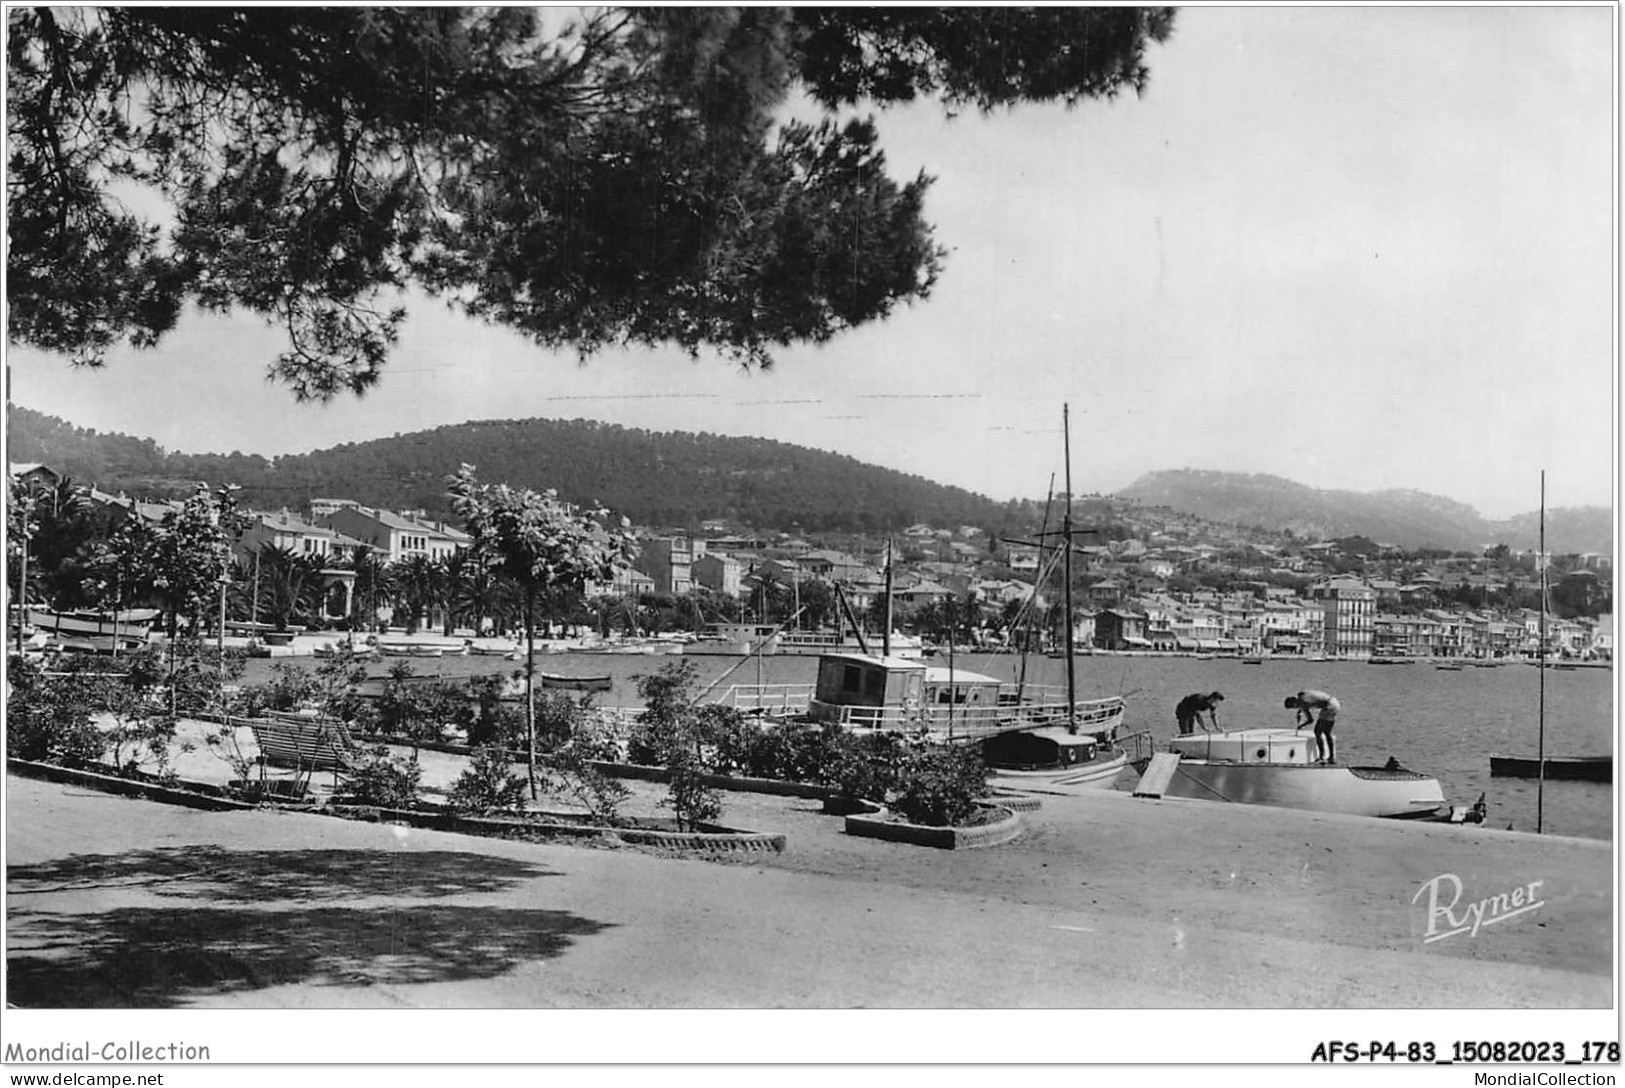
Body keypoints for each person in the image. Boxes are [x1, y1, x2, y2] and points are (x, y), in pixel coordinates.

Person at [1285, 690, 1340, 764]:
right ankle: (1331, 757)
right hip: (1335, 703)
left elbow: (1310, 720)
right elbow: (1305, 703)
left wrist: (1301, 725)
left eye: (1293, 707)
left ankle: (1322, 757)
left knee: (1318, 732)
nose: (1295, 708)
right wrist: (1300, 711)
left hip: (1329, 707)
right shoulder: (1302, 695)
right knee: (1327, 733)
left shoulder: (1303, 704)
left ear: (1294, 703)